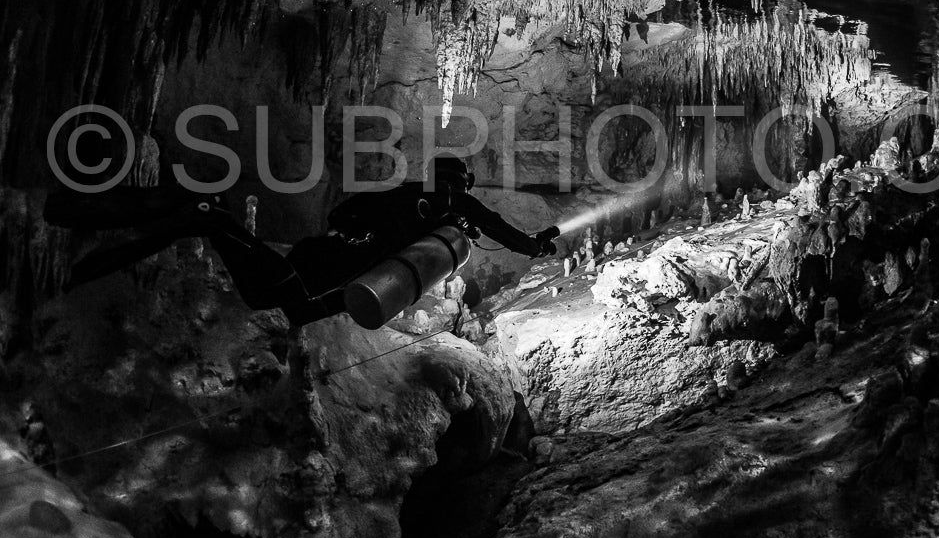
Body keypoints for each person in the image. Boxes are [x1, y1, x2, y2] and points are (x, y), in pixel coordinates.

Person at [44, 156, 558, 326]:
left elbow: (344, 211)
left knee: (269, 296)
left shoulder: (407, 192)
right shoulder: (450, 207)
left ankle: (89, 217)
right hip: (322, 276)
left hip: (322, 268)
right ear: (459, 184)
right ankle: (197, 213)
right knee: (253, 265)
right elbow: (496, 226)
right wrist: (536, 246)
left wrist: (362, 230)